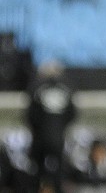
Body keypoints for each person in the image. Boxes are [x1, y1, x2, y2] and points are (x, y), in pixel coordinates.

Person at [25, 60, 77, 193]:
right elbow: (72, 114)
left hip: (40, 137)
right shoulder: (67, 88)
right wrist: (60, 127)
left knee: (37, 171)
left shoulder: (36, 87)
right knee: (58, 171)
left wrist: (40, 128)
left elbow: (30, 115)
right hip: (58, 137)